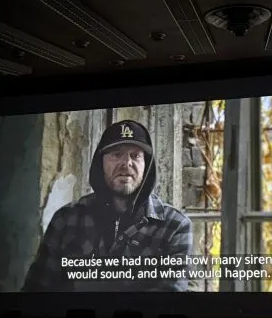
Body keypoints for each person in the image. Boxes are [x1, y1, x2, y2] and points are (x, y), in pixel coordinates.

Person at [22, 119, 195, 291]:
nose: (126, 163)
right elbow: (36, 290)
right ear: (101, 163)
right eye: (116, 154)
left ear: (146, 165)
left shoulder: (174, 226)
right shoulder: (67, 219)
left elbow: (171, 296)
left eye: (135, 156)